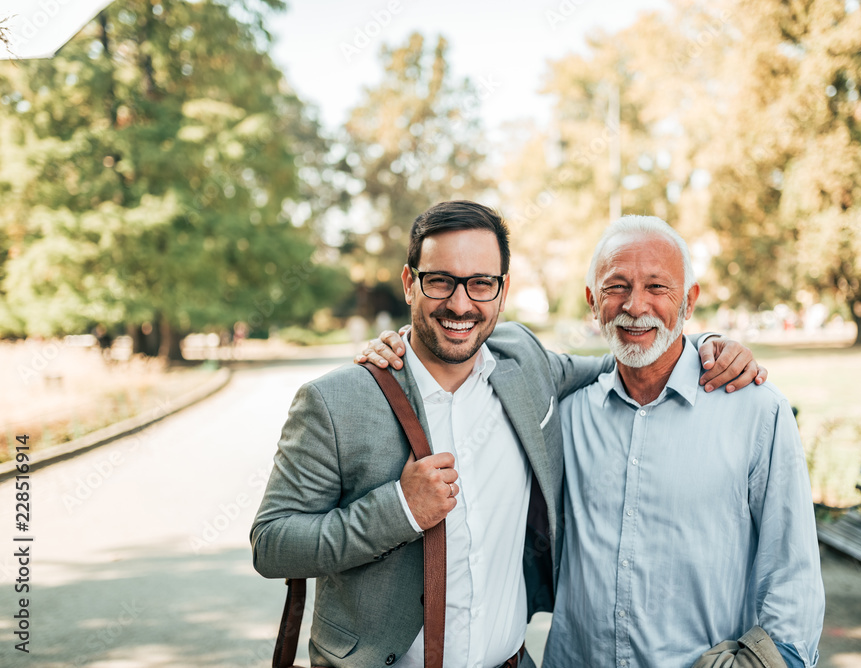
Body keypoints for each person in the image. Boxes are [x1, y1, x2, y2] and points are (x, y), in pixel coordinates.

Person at [252, 201, 763, 668]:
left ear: (502, 289)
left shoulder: (524, 361)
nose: (460, 304)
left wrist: (707, 346)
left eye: (480, 283)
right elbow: (272, 544)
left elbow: (626, 353)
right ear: (410, 283)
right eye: (439, 281)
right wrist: (399, 511)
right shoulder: (336, 401)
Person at [542, 215, 824, 668]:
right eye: (617, 287)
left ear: (689, 302)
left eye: (658, 287)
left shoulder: (756, 411)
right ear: (593, 302)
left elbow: (793, 574)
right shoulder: (568, 416)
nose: (636, 306)